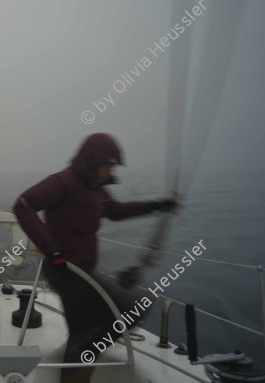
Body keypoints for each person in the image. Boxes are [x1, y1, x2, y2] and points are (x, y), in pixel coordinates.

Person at [13, 133, 176, 383]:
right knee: (131, 307)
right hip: (65, 273)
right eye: (107, 165)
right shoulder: (62, 182)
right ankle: (82, 353)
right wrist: (51, 249)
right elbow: (23, 204)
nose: (109, 172)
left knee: (89, 330)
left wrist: (155, 206)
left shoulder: (95, 190)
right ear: (91, 161)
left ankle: (80, 357)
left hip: (84, 274)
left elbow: (116, 211)